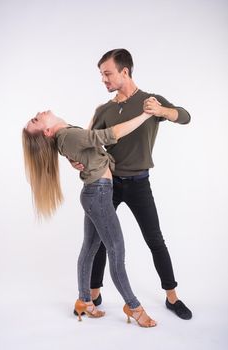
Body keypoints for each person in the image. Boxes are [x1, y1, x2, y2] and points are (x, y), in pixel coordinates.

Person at [72, 48, 192, 320]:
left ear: (124, 72)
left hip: (140, 185)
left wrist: (162, 110)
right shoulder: (104, 109)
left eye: (107, 74)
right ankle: (93, 294)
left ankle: (172, 296)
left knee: (155, 239)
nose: (103, 80)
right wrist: (78, 161)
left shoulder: (150, 101)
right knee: (99, 241)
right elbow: (88, 142)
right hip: (106, 185)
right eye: (102, 75)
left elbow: (185, 116)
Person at [22, 109, 158, 327]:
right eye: (36, 119)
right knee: (116, 251)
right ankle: (133, 306)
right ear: (47, 131)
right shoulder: (67, 137)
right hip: (99, 195)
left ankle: (84, 301)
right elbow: (110, 134)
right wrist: (145, 115)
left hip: (94, 194)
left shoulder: (65, 137)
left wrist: (94, 116)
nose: (38, 112)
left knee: (90, 248)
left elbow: (87, 140)